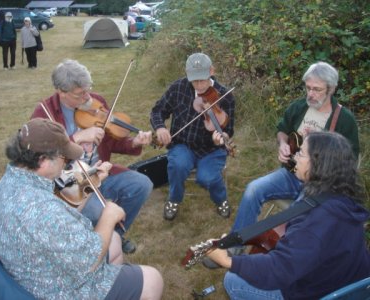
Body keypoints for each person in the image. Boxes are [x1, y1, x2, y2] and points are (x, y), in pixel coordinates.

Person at [0, 118, 163, 299]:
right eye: (64, 158)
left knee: (115, 240)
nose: (67, 163)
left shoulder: (12, 179)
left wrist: (92, 182)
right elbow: (89, 261)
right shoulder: (40, 209)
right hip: (56, 288)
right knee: (152, 279)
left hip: (32, 268)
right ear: (43, 161)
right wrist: (109, 216)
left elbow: (56, 220)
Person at [204, 131, 370, 299]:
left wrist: (228, 261)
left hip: (319, 292)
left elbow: (280, 269)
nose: (295, 156)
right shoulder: (342, 196)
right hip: (348, 281)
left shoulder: (316, 221)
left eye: (301, 153)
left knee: (233, 281)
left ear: (318, 164)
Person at [31, 59, 153, 254]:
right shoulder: (44, 114)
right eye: (80, 94)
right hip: (70, 183)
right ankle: (93, 248)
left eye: (88, 89)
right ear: (61, 92)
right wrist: (75, 138)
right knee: (97, 211)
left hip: (101, 171)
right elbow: (39, 158)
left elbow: (112, 141)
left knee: (142, 184)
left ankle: (114, 236)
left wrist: (134, 143)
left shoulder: (96, 102)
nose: (88, 97)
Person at [230, 61, 359, 238]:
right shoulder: (299, 107)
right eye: (308, 88)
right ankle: (234, 246)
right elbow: (282, 130)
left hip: (319, 187)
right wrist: (283, 144)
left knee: (297, 216)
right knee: (253, 189)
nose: (311, 94)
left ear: (331, 89)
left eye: (317, 89)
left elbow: (350, 162)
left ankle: (281, 256)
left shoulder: (344, 120)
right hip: (290, 174)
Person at [150, 52, 236, 221]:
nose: (198, 85)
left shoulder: (224, 95)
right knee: (177, 166)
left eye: (202, 79)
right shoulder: (178, 88)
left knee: (207, 178)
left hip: (211, 149)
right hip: (183, 144)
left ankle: (221, 199)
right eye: (194, 80)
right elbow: (158, 110)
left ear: (211, 71)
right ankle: (174, 199)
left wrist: (221, 137)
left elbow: (229, 129)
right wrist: (160, 128)